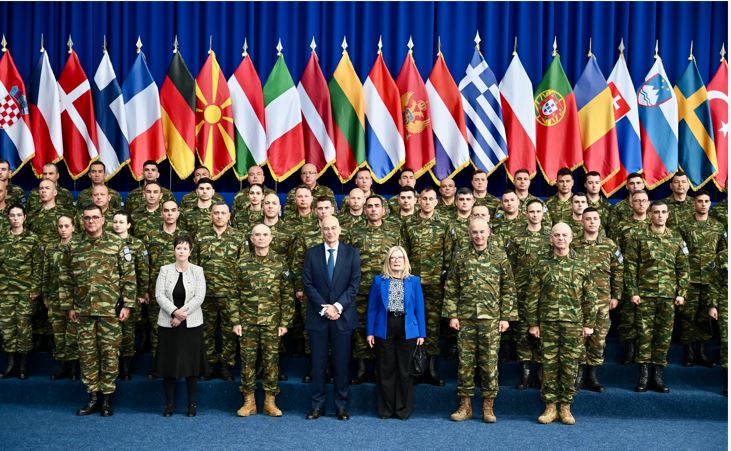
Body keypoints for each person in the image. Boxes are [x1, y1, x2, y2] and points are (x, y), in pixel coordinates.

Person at [59, 205, 136, 416]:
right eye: (87, 218)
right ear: (82, 221)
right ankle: (93, 396)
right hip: (83, 310)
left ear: (103, 220)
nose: (91, 221)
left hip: (109, 310)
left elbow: (129, 277)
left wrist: (127, 305)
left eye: (95, 217)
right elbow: (65, 279)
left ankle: (107, 399)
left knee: (110, 353)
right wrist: (69, 306)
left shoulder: (117, 244)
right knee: (87, 354)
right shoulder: (73, 245)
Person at [444, 218, 516, 423]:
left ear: (489, 232)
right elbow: (452, 285)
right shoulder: (460, 255)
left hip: (491, 318)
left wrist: (506, 317)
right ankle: (465, 406)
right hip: (465, 318)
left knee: (489, 363)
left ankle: (488, 406)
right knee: (465, 363)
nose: (478, 236)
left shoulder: (499, 255)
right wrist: (452, 314)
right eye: (474, 232)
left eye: (482, 232)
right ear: (469, 234)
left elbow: (508, 287)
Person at [527, 222, 596, 425]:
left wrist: (589, 323)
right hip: (547, 322)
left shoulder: (582, 263)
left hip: (573, 323)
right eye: (557, 235)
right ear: (551, 239)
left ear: (571, 238)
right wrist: (533, 323)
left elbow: (590, 297)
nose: (561, 238)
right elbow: (532, 296)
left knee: (569, 365)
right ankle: (550, 406)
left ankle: (565, 406)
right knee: (548, 365)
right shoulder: (541, 263)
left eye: (565, 235)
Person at [624, 201, 689, 393]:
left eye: (663, 212)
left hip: (668, 296)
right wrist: (633, 291)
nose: (660, 215)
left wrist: (682, 293)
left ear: (668, 214)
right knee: (644, 335)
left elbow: (683, 268)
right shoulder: (638, 236)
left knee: (663, 336)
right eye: (656, 212)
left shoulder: (676, 238)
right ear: (650, 214)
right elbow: (630, 266)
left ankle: (658, 376)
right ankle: (644, 376)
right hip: (645, 295)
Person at [303, 216, 361, 420]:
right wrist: (325, 308)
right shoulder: (312, 254)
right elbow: (307, 284)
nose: (330, 232)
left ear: (340, 229)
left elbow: (354, 285)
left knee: (342, 364)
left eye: (333, 228)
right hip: (318, 317)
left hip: (342, 318)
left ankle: (341, 406)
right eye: (326, 228)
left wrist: (337, 307)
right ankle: (317, 406)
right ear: (321, 230)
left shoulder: (352, 253)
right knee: (318, 365)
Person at [231, 224, 293, 417]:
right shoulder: (241, 263)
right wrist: (235, 320)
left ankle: (269, 401)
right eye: (257, 235)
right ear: (251, 239)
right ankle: (249, 402)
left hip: (272, 322)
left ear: (271, 238)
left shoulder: (280, 263)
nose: (261, 238)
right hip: (247, 320)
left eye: (265, 234)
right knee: (247, 361)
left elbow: (287, 295)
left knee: (271, 362)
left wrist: (284, 322)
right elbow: (233, 294)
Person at [366, 246, 426, 420]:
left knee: (404, 371)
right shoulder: (379, 281)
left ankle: (402, 410)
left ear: (405, 261)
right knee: (386, 370)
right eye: (393, 258)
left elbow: (419, 308)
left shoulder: (414, 281)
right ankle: (386, 409)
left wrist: (421, 333)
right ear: (388, 261)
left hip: (408, 329)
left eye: (400, 257)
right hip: (384, 328)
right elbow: (372, 309)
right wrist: (370, 332)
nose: (396, 260)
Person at [572, 207, 623, 392]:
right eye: (588, 219)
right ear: (582, 221)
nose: (592, 222)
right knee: (578, 339)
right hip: (578, 301)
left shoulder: (610, 245)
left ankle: (592, 376)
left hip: (602, 300)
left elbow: (618, 271)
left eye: (595, 218)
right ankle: (578, 375)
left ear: (600, 221)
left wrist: (616, 295)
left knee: (598, 339)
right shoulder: (574, 245)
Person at [155, 235, 207, 417]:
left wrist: (181, 314)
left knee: (191, 366)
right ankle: (169, 405)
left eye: (185, 248)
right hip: (168, 324)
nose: (181, 251)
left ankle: (191, 404)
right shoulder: (164, 270)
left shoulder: (197, 271)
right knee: (169, 365)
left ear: (190, 251)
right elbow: (159, 295)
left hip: (191, 325)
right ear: (174, 251)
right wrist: (174, 312)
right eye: (178, 248)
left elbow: (199, 296)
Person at [678, 191, 726, 368]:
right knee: (688, 315)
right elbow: (679, 253)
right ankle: (689, 353)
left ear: (710, 203)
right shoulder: (684, 226)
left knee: (705, 316)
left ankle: (702, 352)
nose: (703, 204)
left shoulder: (718, 227)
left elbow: (723, 252)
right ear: (694, 203)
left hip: (710, 279)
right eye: (700, 201)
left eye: (707, 201)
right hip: (690, 278)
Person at [0, 205, 42, 379]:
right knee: (7, 329)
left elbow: (38, 265)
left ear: (25, 217)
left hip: (25, 291)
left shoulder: (32, 239)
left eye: (19, 215)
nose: (15, 218)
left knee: (24, 329)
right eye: (12, 215)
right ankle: (11, 365)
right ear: (8, 218)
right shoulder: (2, 238)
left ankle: (23, 367)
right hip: (5, 292)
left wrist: (35, 288)